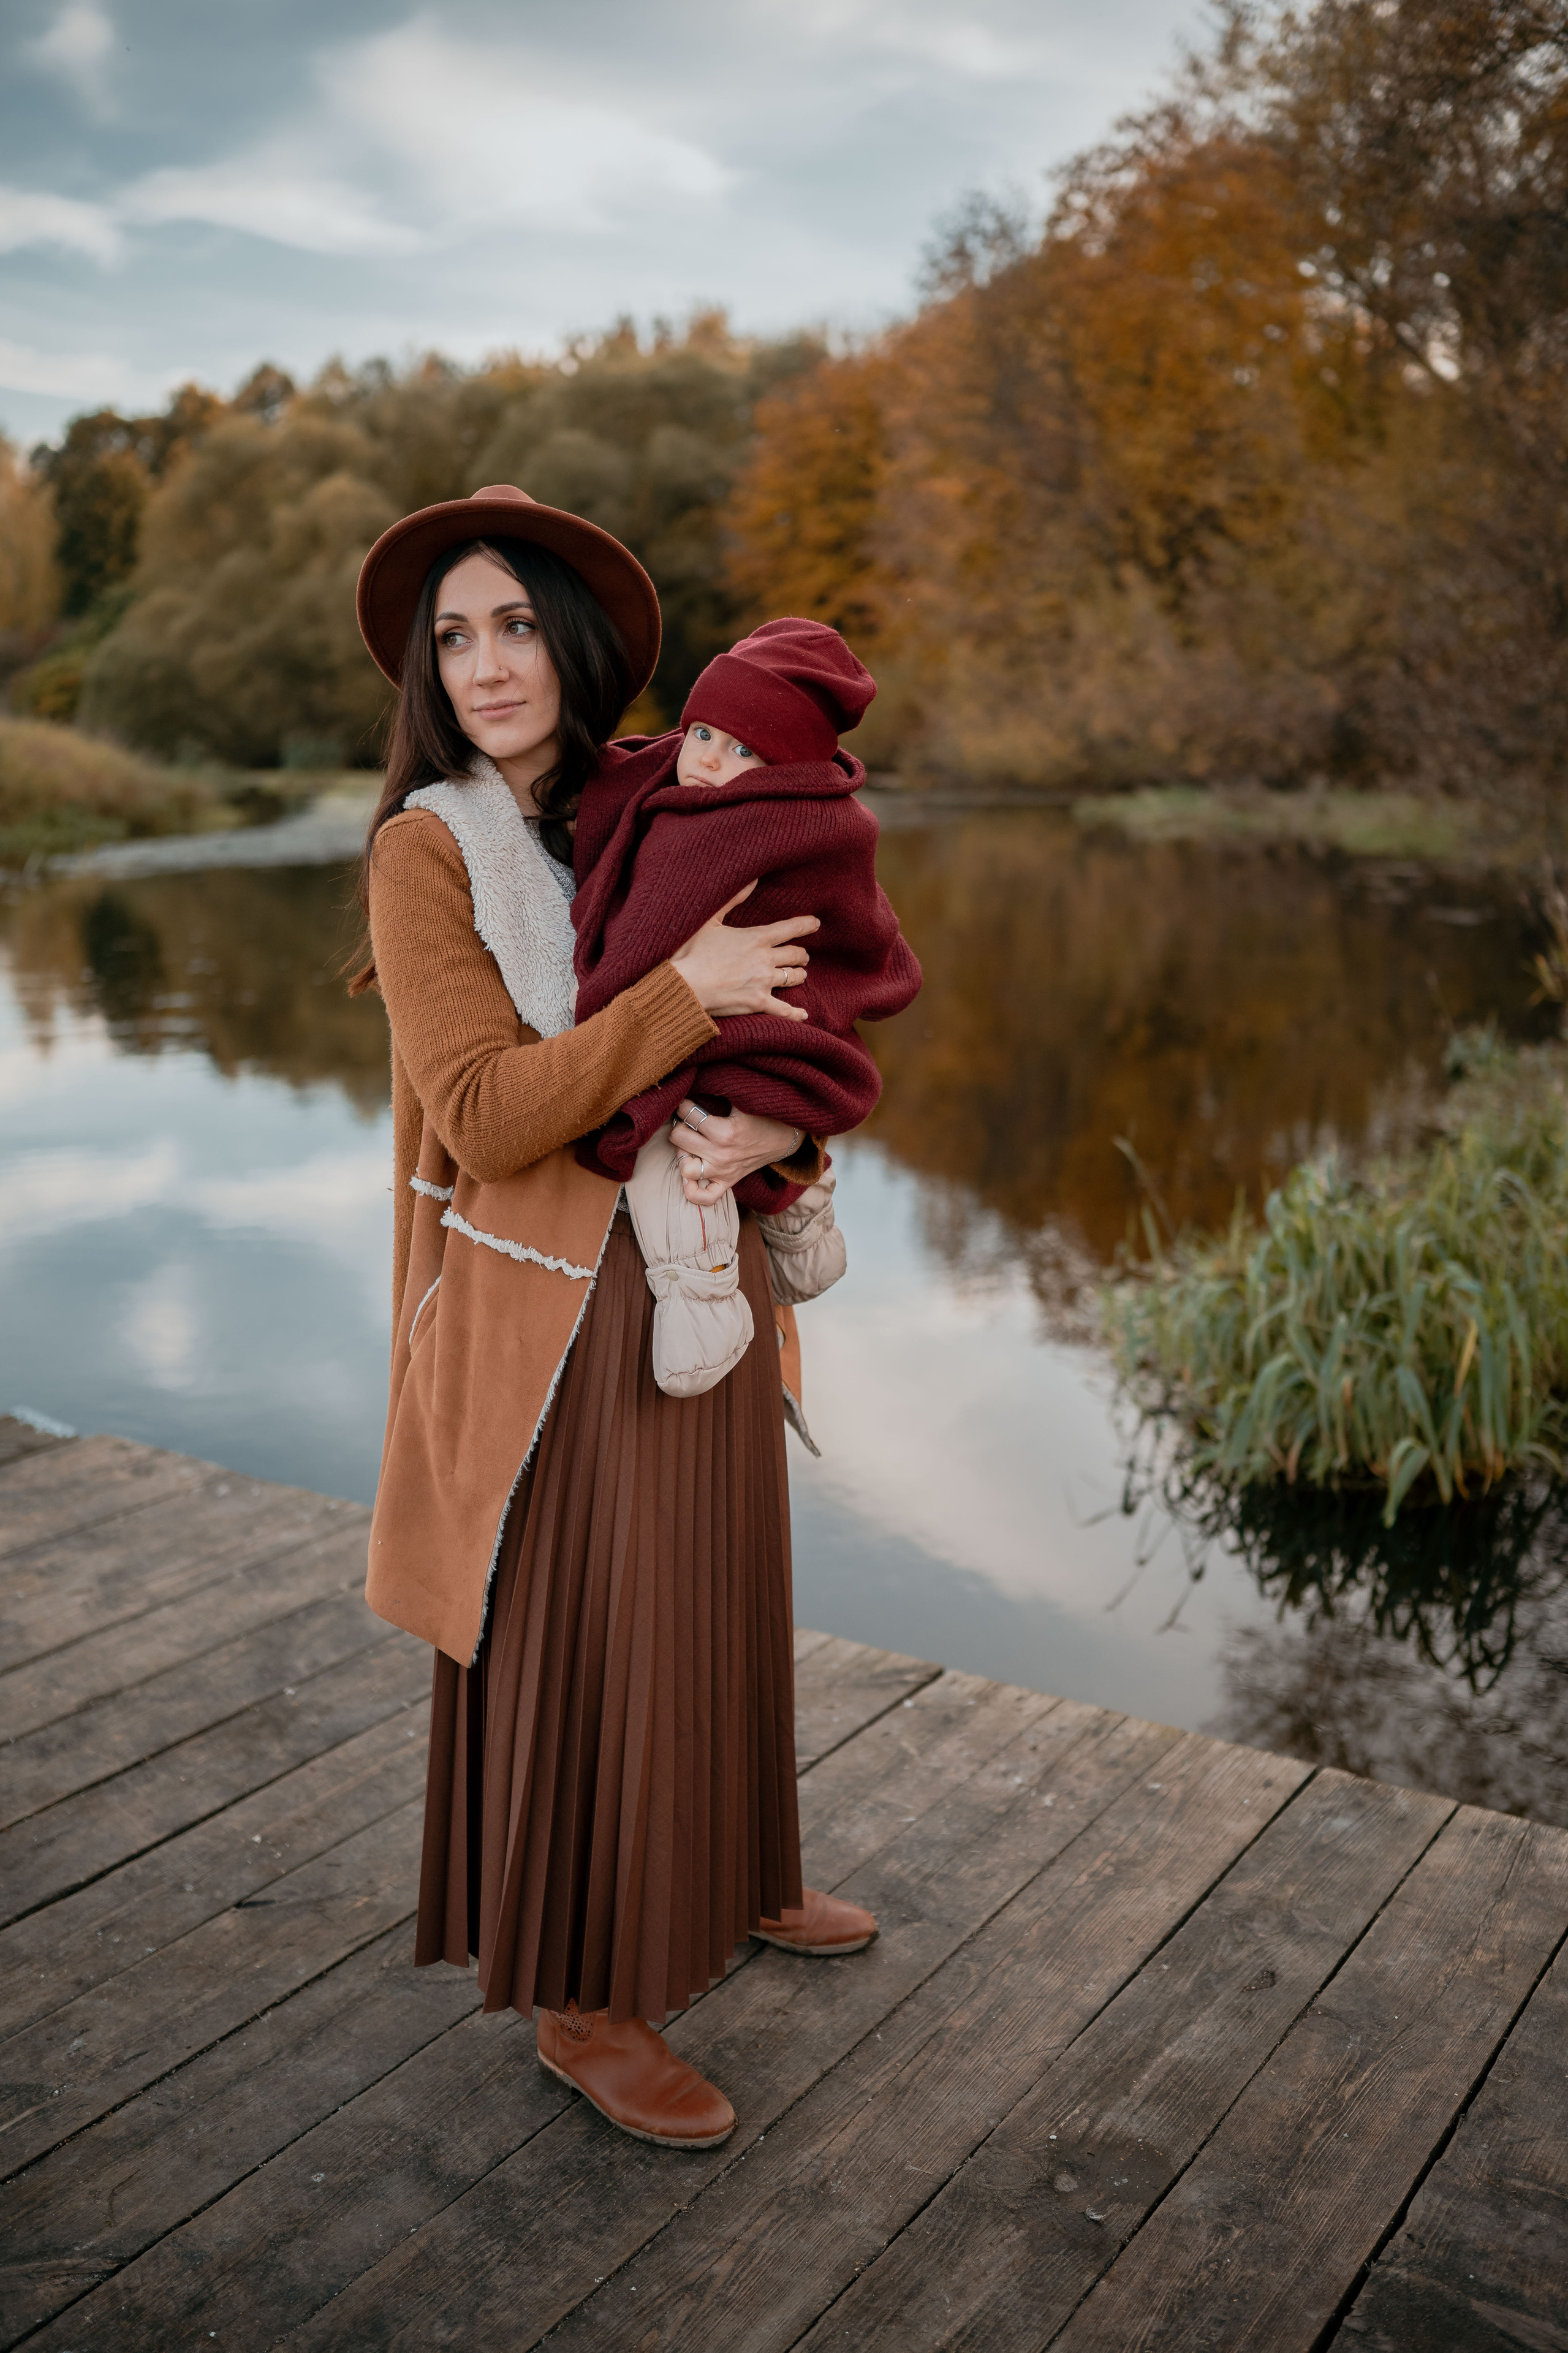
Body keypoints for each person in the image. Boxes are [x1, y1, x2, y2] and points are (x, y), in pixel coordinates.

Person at [349, 483, 879, 2153]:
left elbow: (818, 990)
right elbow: (491, 1110)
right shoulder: (428, 851)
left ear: (573, 643)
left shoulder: (661, 798)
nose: (487, 664)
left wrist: (786, 1124)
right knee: (595, 1632)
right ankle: (581, 1998)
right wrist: (678, 996)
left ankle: (737, 1872)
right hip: (546, 1312)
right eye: (454, 637)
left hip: (703, 1262)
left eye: (516, 624)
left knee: (717, 1588)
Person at [570, 616, 922, 1402]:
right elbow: (876, 948)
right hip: (785, 1053)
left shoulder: (710, 832)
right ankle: (804, 1225)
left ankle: (704, 1309)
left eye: (742, 752)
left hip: (726, 1048)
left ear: (785, 769)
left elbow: (634, 955)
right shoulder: (820, 815)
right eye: (701, 733)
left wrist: (604, 991)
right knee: (730, 1125)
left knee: (673, 1152)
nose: (707, 761)